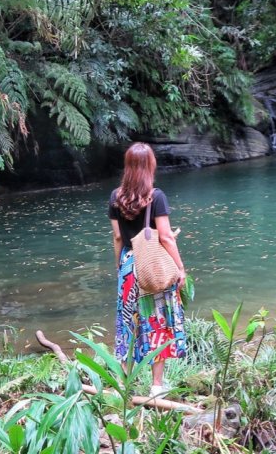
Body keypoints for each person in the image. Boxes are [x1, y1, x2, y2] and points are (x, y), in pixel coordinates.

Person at [109, 142, 187, 393]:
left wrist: (120, 266)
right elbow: (165, 237)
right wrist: (180, 268)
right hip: (151, 267)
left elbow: (118, 237)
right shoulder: (156, 196)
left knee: (127, 323)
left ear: (128, 167)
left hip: (128, 266)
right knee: (156, 321)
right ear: (150, 166)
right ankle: (156, 387)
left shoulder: (115, 197)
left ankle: (124, 384)